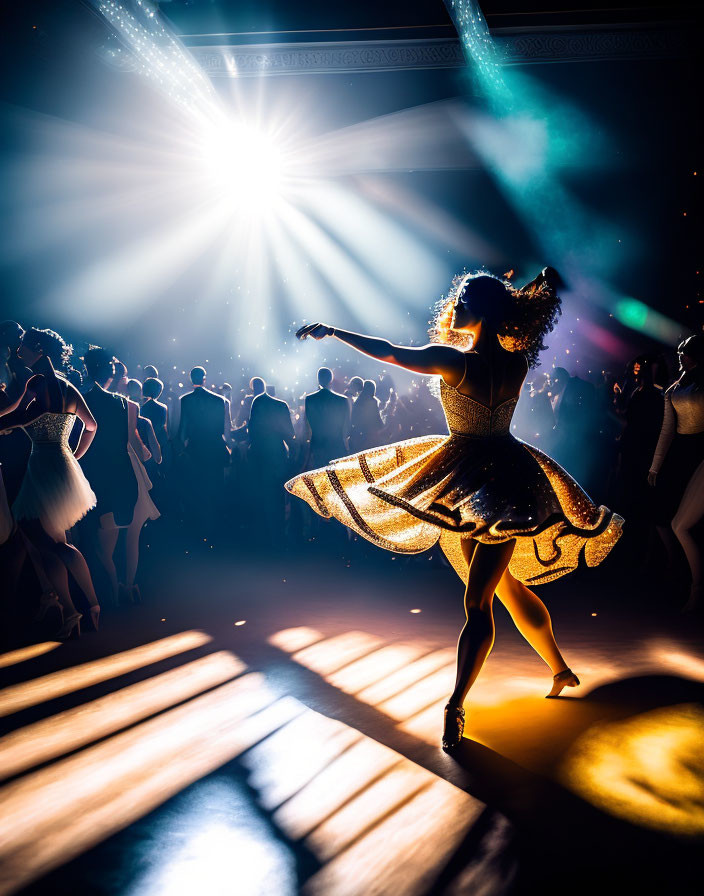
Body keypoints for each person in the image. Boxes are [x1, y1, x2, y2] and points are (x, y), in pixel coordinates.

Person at [290, 269, 624, 751]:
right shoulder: (516, 362)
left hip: (478, 479)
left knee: (479, 601)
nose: (455, 305)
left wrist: (335, 331)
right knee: (504, 587)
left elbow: (388, 351)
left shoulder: (454, 361)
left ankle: (455, 707)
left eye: (465, 298)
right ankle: (561, 669)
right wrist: (529, 291)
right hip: (501, 476)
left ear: (484, 311)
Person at [3, 328, 100, 638]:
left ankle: (83, 607)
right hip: (59, 462)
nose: (18, 351)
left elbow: (26, 414)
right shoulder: (67, 385)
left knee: (47, 539)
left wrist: (8, 423)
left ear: (39, 349)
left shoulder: (40, 383)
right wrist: (74, 455)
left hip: (45, 464)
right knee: (52, 541)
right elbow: (91, 426)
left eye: (23, 347)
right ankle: (76, 610)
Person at [80, 348, 144, 605]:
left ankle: (110, 594)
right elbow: (133, 443)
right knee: (112, 536)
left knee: (96, 542)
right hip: (120, 476)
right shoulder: (126, 405)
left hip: (92, 474)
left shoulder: (81, 400)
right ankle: (117, 590)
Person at [648, 334, 704, 612]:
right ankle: (679, 574)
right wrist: (656, 465)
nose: (681, 354)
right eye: (680, 351)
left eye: (687, 351)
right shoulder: (674, 388)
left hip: (700, 451)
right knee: (667, 517)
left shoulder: (699, 384)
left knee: (686, 523)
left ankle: (693, 587)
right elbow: (667, 430)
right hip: (681, 453)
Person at [178, 366, 231, 533]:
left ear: (190, 378)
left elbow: (182, 429)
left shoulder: (185, 400)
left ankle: (200, 528)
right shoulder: (219, 400)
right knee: (215, 487)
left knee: (196, 487)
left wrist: (180, 451)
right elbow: (225, 429)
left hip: (196, 448)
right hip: (215, 446)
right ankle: (215, 527)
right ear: (204, 378)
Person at [247, 378, 295, 543]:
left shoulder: (256, 403)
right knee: (277, 499)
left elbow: (251, 432)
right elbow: (290, 434)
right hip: (277, 457)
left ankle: (263, 538)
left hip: (259, 457)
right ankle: (278, 537)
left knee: (261, 498)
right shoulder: (281, 405)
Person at [304, 367, 350, 468]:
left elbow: (306, 425)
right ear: (331, 379)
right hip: (336, 444)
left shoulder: (309, 399)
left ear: (318, 380)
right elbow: (346, 426)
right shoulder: (342, 400)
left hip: (318, 444)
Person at [350, 379, 385, 451]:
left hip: (359, 435)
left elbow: (353, 419)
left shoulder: (358, 401)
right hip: (370, 435)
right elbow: (377, 418)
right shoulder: (373, 401)